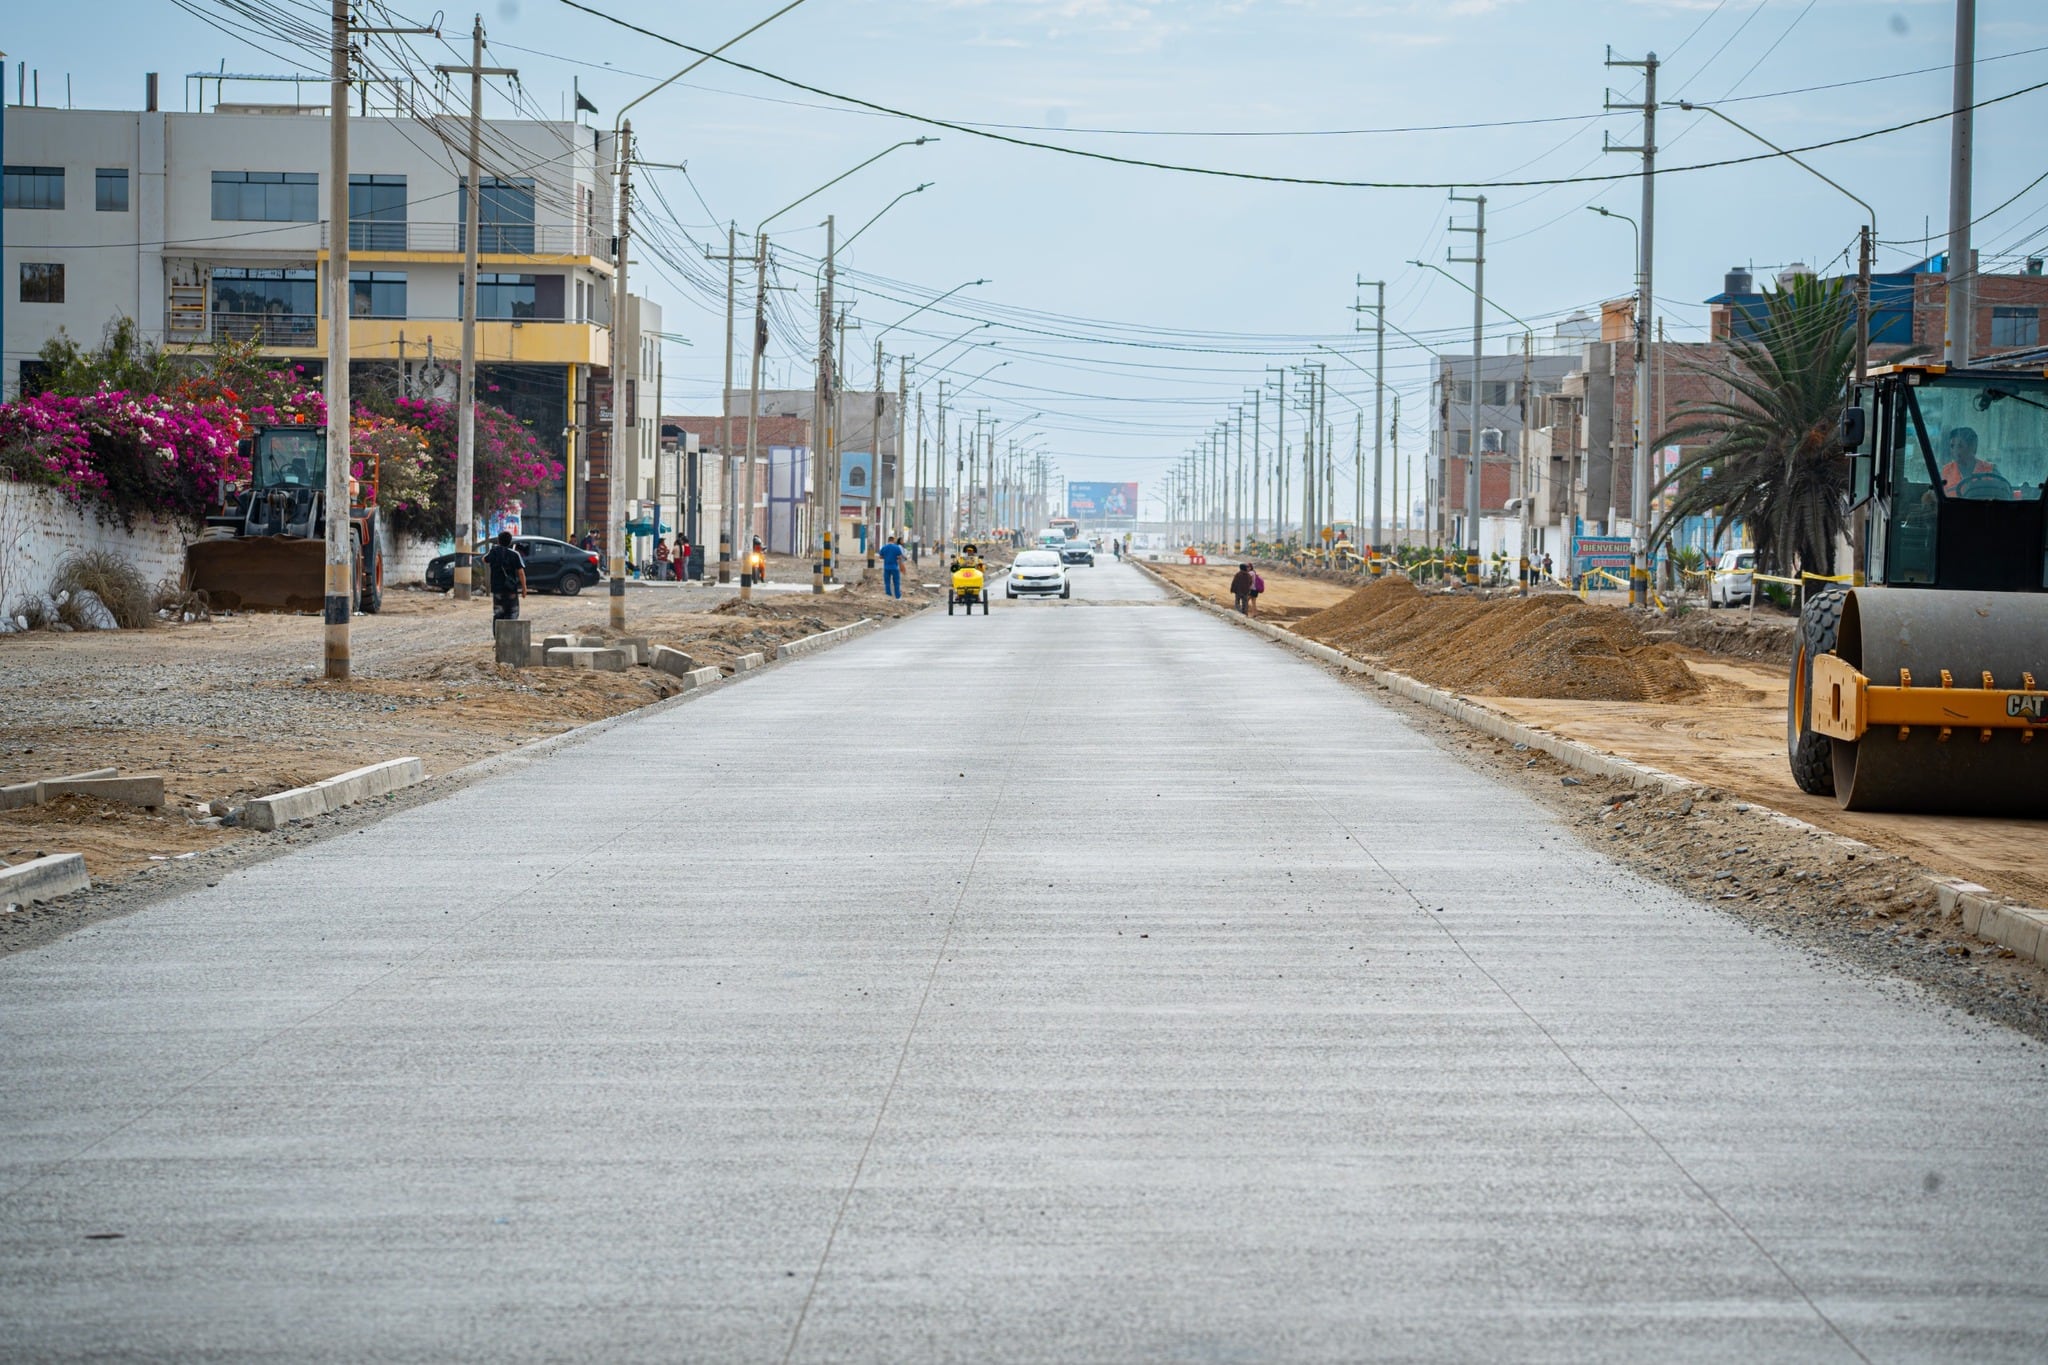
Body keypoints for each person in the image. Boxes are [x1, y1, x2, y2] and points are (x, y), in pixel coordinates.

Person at [482, 530, 526, 621]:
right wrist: (524, 588)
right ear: (510, 542)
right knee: (512, 613)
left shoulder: (494, 552)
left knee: (498, 614)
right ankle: (510, 634)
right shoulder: (515, 554)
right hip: (511, 589)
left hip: (497, 588)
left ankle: (498, 634)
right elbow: (521, 572)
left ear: (498, 541)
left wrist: (493, 549)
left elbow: (484, 559)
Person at [878, 534, 907, 599]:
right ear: (893, 540)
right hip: (895, 567)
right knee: (896, 582)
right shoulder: (896, 547)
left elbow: (880, 556)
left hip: (886, 567)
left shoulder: (884, 547)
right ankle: (898, 596)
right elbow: (899, 557)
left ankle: (888, 595)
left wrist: (886, 557)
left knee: (887, 582)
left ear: (888, 540)